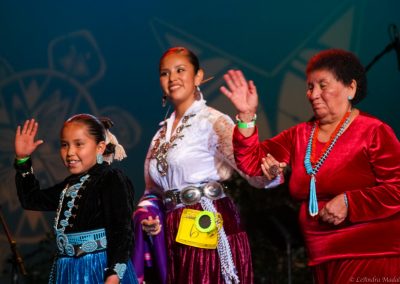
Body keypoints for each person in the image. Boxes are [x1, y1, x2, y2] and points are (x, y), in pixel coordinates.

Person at [220, 49, 400, 283]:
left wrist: (350, 202)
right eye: (309, 87)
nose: (313, 94)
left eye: (322, 85)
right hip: (321, 256)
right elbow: (252, 163)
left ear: (351, 88)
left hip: (370, 255)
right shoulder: (299, 135)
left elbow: (397, 189)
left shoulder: (374, 131)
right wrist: (246, 115)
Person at [131, 47, 284, 284]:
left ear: (198, 76)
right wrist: (148, 217)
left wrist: (246, 117)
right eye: (165, 73)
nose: (172, 78)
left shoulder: (212, 121)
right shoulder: (160, 135)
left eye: (180, 70)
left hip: (207, 220)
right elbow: (152, 192)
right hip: (172, 230)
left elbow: (253, 174)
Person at [14, 114, 139, 284]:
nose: (70, 152)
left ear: (100, 147)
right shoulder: (70, 185)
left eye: (79, 144)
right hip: (68, 270)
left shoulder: (111, 178)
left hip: (98, 269)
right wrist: (23, 159)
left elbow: (122, 233)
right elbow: (32, 199)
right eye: (64, 145)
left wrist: (113, 276)